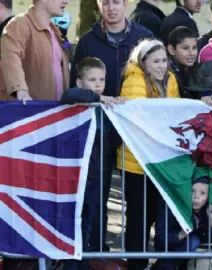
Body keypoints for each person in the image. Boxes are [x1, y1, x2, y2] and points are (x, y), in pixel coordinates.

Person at [71, 0, 154, 254]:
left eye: (116, 1)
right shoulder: (87, 41)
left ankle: (137, 257)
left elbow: (160, 76)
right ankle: (97, 251)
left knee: (139, 201)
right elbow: (74, 87)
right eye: (105, 2)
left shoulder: (145, 37)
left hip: (138, 130)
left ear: (126, 4)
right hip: (100, 131)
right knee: (97, 195)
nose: (111, 7)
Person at [118, 39, 180, 270]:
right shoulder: (134, 79)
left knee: (154, 213)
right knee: (138, 217)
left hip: (159, 160)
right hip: (136, 161)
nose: (161, 66)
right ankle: (136, 264)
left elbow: (173, 113)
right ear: (143, 62)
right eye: (156, 61)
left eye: (164, 60)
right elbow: (139, 117)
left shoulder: (170, 80)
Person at [60, 57, 124, 270]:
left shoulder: (105, 107)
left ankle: (84, 260)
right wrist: (97, 96)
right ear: (79, 82)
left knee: (90, 218)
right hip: (75, 175)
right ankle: (71, 264)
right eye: (92, 80)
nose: (98, 84)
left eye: (102, 80)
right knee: (74, 219)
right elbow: (68, 95)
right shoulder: (80, 99)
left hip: (96, 173)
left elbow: (112, 139)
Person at [1, 0, 69, 103]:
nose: (66, 1)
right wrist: (20, 89)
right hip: (29, 114)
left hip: (55, 114)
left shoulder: (54, 31)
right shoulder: (19, 24)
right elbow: (11, 55)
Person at [153, 173, 212, 270]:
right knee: (193, 240)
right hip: (170, 254)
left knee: (195, 241)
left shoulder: (208, 210)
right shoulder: (171, 207)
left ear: (208, 197)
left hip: (192, 262)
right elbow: (160, 240)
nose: (196, 197)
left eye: (202, 193)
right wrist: (181, 234)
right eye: (192, 191)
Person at [167, 26, 212, 105]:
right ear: (171, 50)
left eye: (194, 48)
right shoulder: (166, 74)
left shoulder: (205, 69)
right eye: (185, 48)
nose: (192, 53)